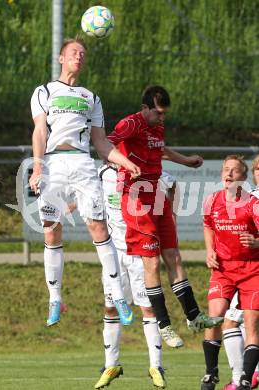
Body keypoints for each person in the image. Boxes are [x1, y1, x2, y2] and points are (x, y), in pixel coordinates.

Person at [29, 38, 141, 327]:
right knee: (51, 230)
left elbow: (101, 143)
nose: (78, 57)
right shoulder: (44, 92)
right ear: (61, 58)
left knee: (98, 227)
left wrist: (126, 162)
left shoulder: (91, 97)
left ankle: (117, 295)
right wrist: (37, 167)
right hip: (53, 162)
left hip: (81, 162)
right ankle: (55, 298)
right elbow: (40, 131)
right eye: (73, 53)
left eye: (82, 54)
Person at [108, 85, 223, 348]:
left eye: (164, 114)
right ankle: (163, 324)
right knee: (151, 263)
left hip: (156, 194)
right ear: (145, 108)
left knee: (173, 255)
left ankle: (194, 317)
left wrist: (185, 161)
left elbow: (160, 150)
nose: (162, 118)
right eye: (158, 113)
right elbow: (106, 146)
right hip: (136, 199)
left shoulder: (157, 126)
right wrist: (125, 164)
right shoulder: (130, 124)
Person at [94, 163, 165, 389]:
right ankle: (111, 365)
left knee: (148, 308)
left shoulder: (143, 168)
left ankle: (156, 366)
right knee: (111, 307)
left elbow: (169, 183)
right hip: (113, 253)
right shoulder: (102, 173)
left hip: (139, 252)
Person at [200, 155, 259, 390]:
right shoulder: (211, 201)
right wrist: (209, 251)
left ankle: (245, 377)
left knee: (252, 324)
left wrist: (256, 242)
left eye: (235, 171)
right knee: (214, 317)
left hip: (252, 270)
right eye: (226, 169)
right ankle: (210, 373)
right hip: (223, 269)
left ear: (243, 177)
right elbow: (207, 226)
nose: (229, 174)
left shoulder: (253, 203)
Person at [221, 155, 259, 390]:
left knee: (231, 322)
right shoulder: (251, 197)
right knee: (238, 322)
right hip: (244, 269)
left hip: (252, 271)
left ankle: (242, 378)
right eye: (258, 168)